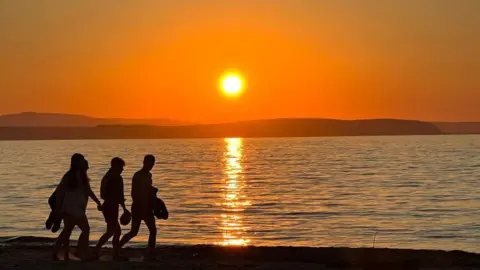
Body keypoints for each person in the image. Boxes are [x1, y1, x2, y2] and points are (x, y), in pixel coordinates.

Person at [51, 154, 103, 261]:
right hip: (71, 207)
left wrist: (97, 201)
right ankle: (82, 251)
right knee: (85, 229)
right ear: (76, 162)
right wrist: (58, 208)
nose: (83, 162)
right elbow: (60, 192)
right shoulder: (69, 176)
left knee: (67, 231)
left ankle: (60, 253)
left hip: (77, 207)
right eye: (81, 160)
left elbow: (88, 191)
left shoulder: (81, 175)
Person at [118, 155, 157, 260]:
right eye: (149, 163)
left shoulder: (149, 175)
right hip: (138, 207)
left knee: (153, 230)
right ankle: (117, 248)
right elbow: (134, 193)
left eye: (152, 164)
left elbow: (147, 189)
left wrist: (152, 192)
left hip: (147, 206)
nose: (150, 166)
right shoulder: (138, 175)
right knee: (134, 232)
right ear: (144, 162)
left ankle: (150, 254)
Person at [94, 157, 129, 258]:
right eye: (121, 167)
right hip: (110, 207)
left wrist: (123, 208)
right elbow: (115, 195)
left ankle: (112, 253)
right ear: (115, 166)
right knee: (112, 232)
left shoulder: (110, 177)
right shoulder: (112, 178)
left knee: (115, 231)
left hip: (111, 206)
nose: (122, 169)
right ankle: (104, 252)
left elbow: (118, 196)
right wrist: (123, 208)